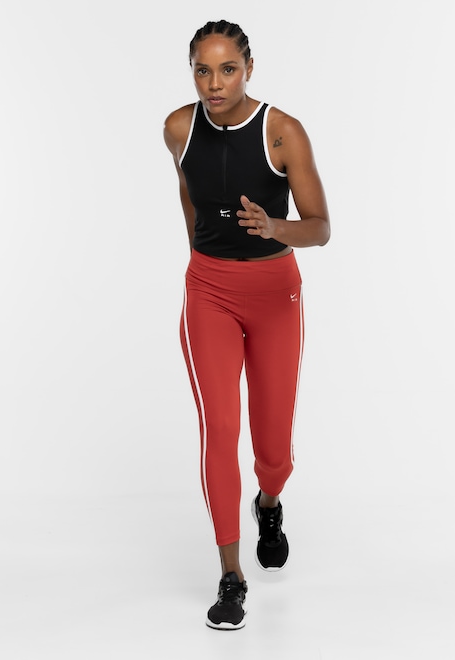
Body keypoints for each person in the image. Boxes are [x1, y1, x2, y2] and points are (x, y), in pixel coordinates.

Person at [163, 19, 330, 630]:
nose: (214, 83)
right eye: (202, 71)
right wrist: (203, 259)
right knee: (220, 428)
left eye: (227, 69)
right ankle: (231, 575)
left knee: (274, 445)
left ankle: (269, 500)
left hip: (275, 294)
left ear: (249, 69)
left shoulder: (283, 132)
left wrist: (273, 228)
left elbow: (320, 227)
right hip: (208, 292)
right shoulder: (178, 128)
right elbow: (190, 195)